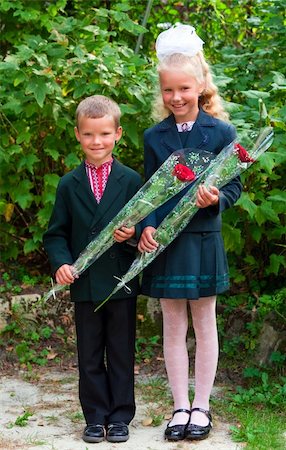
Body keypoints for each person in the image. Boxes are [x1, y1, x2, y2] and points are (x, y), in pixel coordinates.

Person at [138, 24, 242, 442]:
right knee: (172, 323)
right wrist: (146, 226)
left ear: (200, 85)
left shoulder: (221, 134)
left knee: (205, 320)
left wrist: (214, 198)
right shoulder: (152, 137)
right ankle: (179, 406)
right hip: (166, 242)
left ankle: (202, 406)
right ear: (161, 92)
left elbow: (234, 186)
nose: (176, 97)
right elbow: (148, 192)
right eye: (168, 90)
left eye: (184, 88)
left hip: (202, 239)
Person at [43, 95, 141, 444]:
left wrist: (131, 236)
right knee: (88, 354)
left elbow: (144, 229)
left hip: (120, 281)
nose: (96, 142)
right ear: (77, 135)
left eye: (103, 134)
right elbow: (56, 233)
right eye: (88, 135)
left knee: (120, 351)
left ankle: (120, 416)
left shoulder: (131, 180)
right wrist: (62, 264)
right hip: (84, 284)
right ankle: (95, 415)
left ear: (117, 134)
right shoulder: (69, 184)